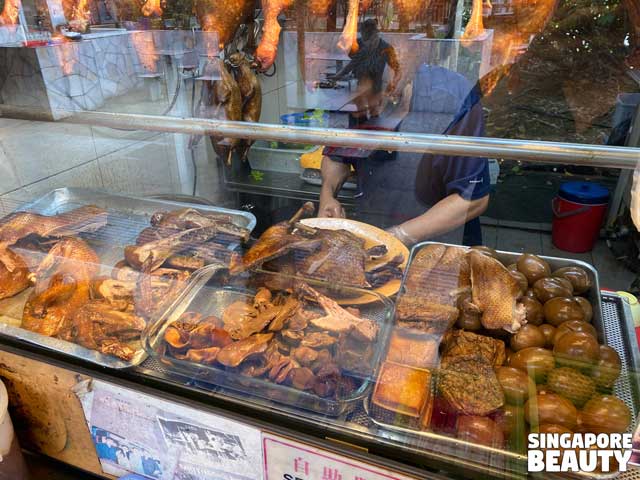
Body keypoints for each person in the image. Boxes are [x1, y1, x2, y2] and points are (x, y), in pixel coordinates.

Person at [319, 64, 490, 247]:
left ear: (393, 87)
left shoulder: (453, 96)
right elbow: (336, 155)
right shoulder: (348, 99)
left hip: (442, 245)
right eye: (355, 108)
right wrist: (327, 194)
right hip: (374, 228)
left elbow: (473, 199)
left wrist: (399, 236)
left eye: (371, 105)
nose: (362, 113)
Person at [330, 19, 402, 123]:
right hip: (358, 88)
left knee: (374, 114)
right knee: (359, 114)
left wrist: (394, 82)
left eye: (368, 37)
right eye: (363, 35)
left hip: (375, 88)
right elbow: (352, 63)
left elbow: (398, 70)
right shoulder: (358, 44)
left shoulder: (386, 48)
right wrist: (338, 76)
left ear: (375, 34)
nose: (365, 40)